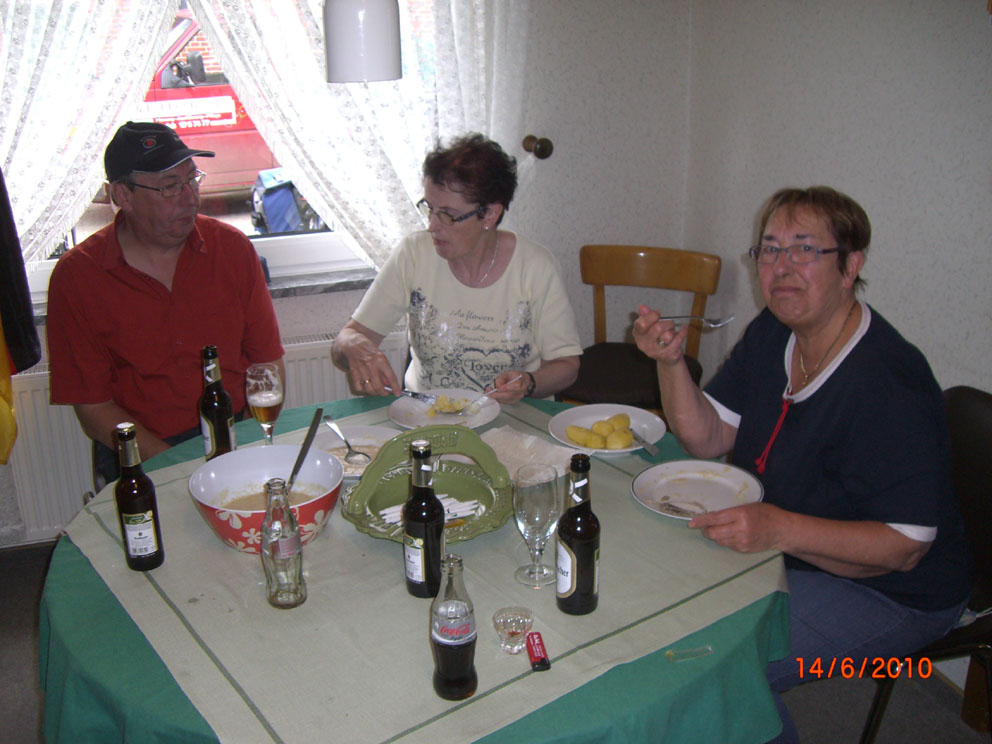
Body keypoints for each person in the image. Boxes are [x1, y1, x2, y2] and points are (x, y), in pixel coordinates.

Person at [632, 186, 971, 742]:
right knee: (662, 604)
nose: (782, 267)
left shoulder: (889, 380)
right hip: (798, 550)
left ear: (850, 266)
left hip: (896, 592)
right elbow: (706, 437)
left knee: (719, 665)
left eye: (805, 249)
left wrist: (778, 529)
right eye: (769, 249)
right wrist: (670, 364)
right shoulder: (774, 332)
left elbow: (905, 547)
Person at [48, 121, 284, 488]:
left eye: (192, 180)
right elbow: (94, 410)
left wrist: (251, 444)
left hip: (234, 434)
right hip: (142, 452)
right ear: (122, 196)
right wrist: (179, 470)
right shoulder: (77, 277)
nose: (190, 198)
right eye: (170, 187)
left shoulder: (232, 249)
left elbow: (267, 363)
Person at [331, 133, 581, 403]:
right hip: (428, 415)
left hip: (516, 418)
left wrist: (528, 383)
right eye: (430, 208)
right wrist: (352, 345)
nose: (432, 226)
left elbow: (566, 366)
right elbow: (345, 341)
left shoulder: (535, 266)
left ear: (490, 214)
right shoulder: (413, 254)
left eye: (449, 215)